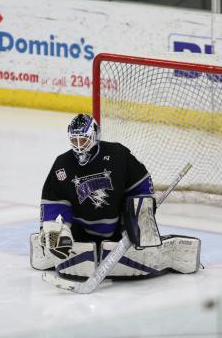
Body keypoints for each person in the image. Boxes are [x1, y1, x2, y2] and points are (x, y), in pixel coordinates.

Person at [30, 114, 201, 279]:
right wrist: (55, 227)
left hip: (118, 230)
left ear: (95, 136)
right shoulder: (62, 164)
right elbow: (54, 200)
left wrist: (141, 214)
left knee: (141, 210)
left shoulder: (118, 155)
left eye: (84, 140)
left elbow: (140, 184)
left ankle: (146, 246)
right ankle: (57, 250)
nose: (79, 146)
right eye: (75, 140)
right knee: (53, 231)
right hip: (80, 232)